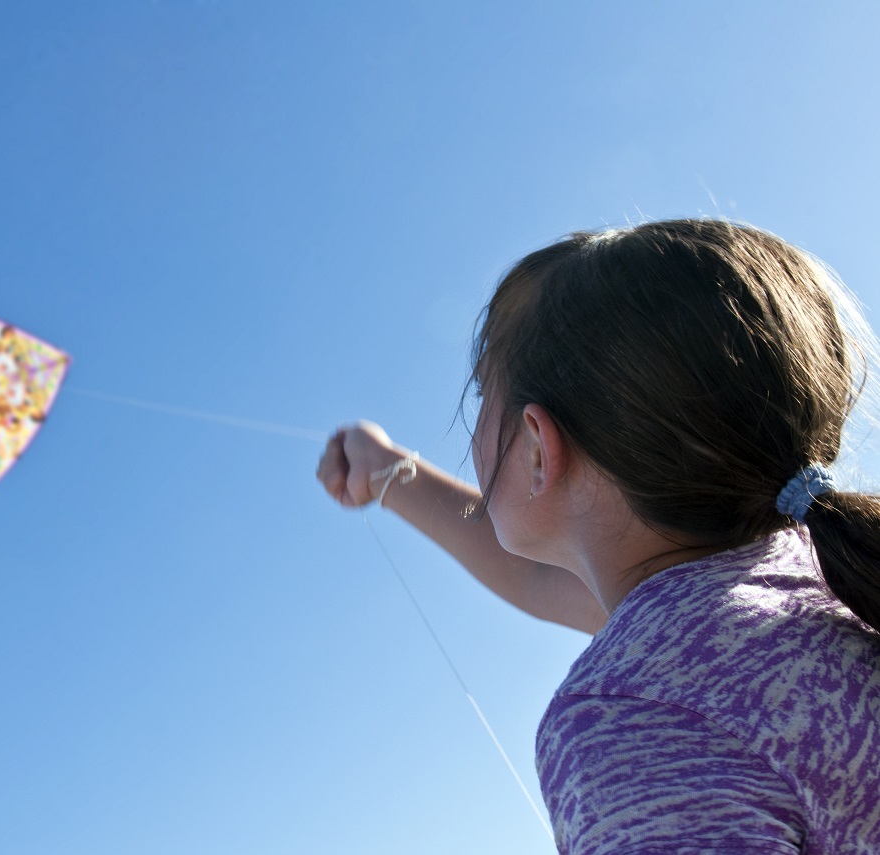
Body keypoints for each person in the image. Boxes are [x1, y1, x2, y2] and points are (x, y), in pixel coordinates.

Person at [316, 219, 880, 854]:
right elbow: (537, 580)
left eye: (482, 396)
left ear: (535, 446)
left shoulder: (634, 710)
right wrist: (392, 472)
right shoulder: (821, 580)